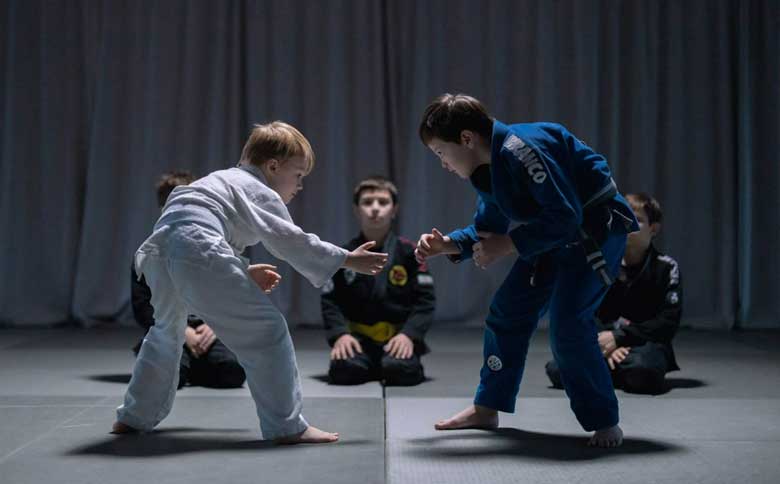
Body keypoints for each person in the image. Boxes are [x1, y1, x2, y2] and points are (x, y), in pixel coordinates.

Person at [113, 121, 388, 444]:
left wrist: (241, 269)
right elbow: (289, 239)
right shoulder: (257, 188)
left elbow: (191, 235)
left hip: (159, 253)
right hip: (195, 251)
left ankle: (133, 416)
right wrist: (346, 258)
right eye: (298, 175)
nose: (300, 186)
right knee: (268, 331)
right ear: (272, 166)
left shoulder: (219, 180)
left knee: (165, 333)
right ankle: (287, 426)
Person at [414, 93, 638, 447]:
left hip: (595, 232)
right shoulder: (486, 171)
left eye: (441, 152)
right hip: (548, 236)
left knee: (568, 325)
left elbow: (565, 216)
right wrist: (448, 245)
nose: (443, 163)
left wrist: (508, 244)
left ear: (467, 139)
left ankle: (604, 420)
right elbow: (489, 232)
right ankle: (487, 407)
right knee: (506, 313)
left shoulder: (521, 149)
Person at [545, 193, 682, 394]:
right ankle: (612, 368)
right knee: (556, 369)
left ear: (653, 229)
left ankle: (604, 371)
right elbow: (584, 310)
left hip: (643, 344)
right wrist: (605, 342)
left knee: (643, 369)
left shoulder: (666, 268)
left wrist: (620, 338)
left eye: (637, 219)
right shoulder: (600, 262)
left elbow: (668, 322)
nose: (627, 223)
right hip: (601, 339)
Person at [131, 171, 246, 390]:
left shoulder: (216, 249)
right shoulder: (149, 253)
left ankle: (195, 363)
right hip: (168, 329)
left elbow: (233, 296)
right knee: (172, 376)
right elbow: (142, 306)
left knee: (231, 372)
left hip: (210, 330)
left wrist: (216, 325)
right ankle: (179, 362)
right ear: (163, 210)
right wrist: (182, 331)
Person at [322, 176, 435, 386]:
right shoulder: (343, 255)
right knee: (344, 371)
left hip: (397, 339)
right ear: (356, 210)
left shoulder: (410, 253)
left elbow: (425, 302)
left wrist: (409, 335)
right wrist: (340, 335)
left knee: (400, 370)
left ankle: (388, 362)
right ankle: (368, 363)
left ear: (394, 210)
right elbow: (330, 301)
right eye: (367, 202)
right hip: (358, 339)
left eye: (383, 202)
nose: (375, 208)